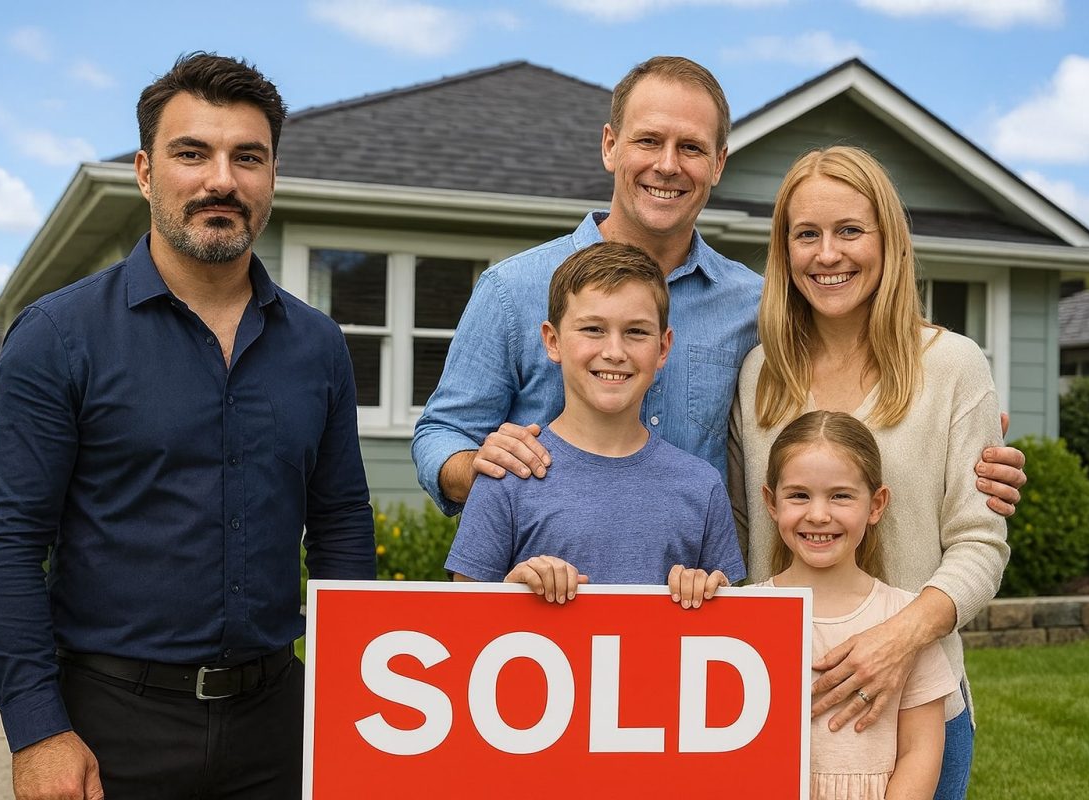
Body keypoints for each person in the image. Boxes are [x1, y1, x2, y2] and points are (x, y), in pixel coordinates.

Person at [0, 52, 376, 800]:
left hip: (281, 722)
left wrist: (356, 691)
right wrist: (37, 730)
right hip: (109, 725)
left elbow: (342, 523)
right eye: (193, 153)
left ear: (271, 176)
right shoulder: (60, 336)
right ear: (146, 173)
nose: (222, 179)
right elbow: (5, 547)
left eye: (247, 157)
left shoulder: (318, 346)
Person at [411, 56, 1025, 525]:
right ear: (610, 146)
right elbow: (441, 435)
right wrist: (482, 469)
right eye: (649, 141)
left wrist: (962, 443)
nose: (668, 165)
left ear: (720, 163)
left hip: (704, 614)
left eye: (691, 148)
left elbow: (837, 400)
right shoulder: (513, 289)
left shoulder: (756, 306)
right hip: (548, 601)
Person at [730, 145, 1009, 798]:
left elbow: (980, 543)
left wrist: (897, 640)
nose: (828, 255)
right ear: (785, 250)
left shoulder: (953, 366)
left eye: (850, 230)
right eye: (807, 234)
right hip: (774, 710)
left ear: (888, 241)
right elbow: (751, 537)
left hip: (918, 709)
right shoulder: (759, 376)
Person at [445, 242, 744, 605]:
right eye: (592, 329)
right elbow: (460, 621)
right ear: (552, 341)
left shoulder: (701, 487)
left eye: (636, 332)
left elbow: (730, 625)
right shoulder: (507, 477)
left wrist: (705, 591)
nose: (615, 352)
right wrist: (513, 594)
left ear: (663, 348)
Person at [754, 410, 955, 800]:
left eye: (841, 496)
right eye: (798, 495)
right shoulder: (743, 612)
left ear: (876, 504)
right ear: (771, 502)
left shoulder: (904, 620)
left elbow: (920, 750)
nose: (818, 514)